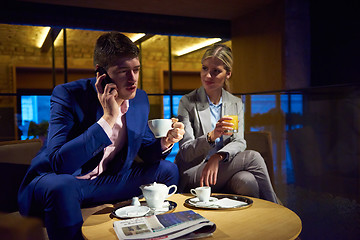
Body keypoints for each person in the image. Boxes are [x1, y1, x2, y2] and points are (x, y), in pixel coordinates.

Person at [18, 32, 184, 240]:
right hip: (63, 180)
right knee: (63, 186)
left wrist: (165, 141)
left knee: (167, 170)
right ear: (101, 73)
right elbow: (60, 164)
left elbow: (146, 149)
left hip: (104, 182)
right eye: (123, 71)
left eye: (136, 70)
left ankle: (162, 232)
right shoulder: (68, 95)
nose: (133, 79)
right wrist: (109, 117)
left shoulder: (139, 99)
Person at [175, 44, 278, 203]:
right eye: (204, 68)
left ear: (228, 74)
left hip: (223, 168)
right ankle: (276, 209)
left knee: (247, 181)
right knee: (253, 157)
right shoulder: (187, 102)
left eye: (216, 71)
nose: (208, 75)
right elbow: (186, 152)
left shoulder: (235, 103)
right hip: (195, 171)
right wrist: (212, 136)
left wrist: (218, 156)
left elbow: (239, 141)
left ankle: (251, 225)